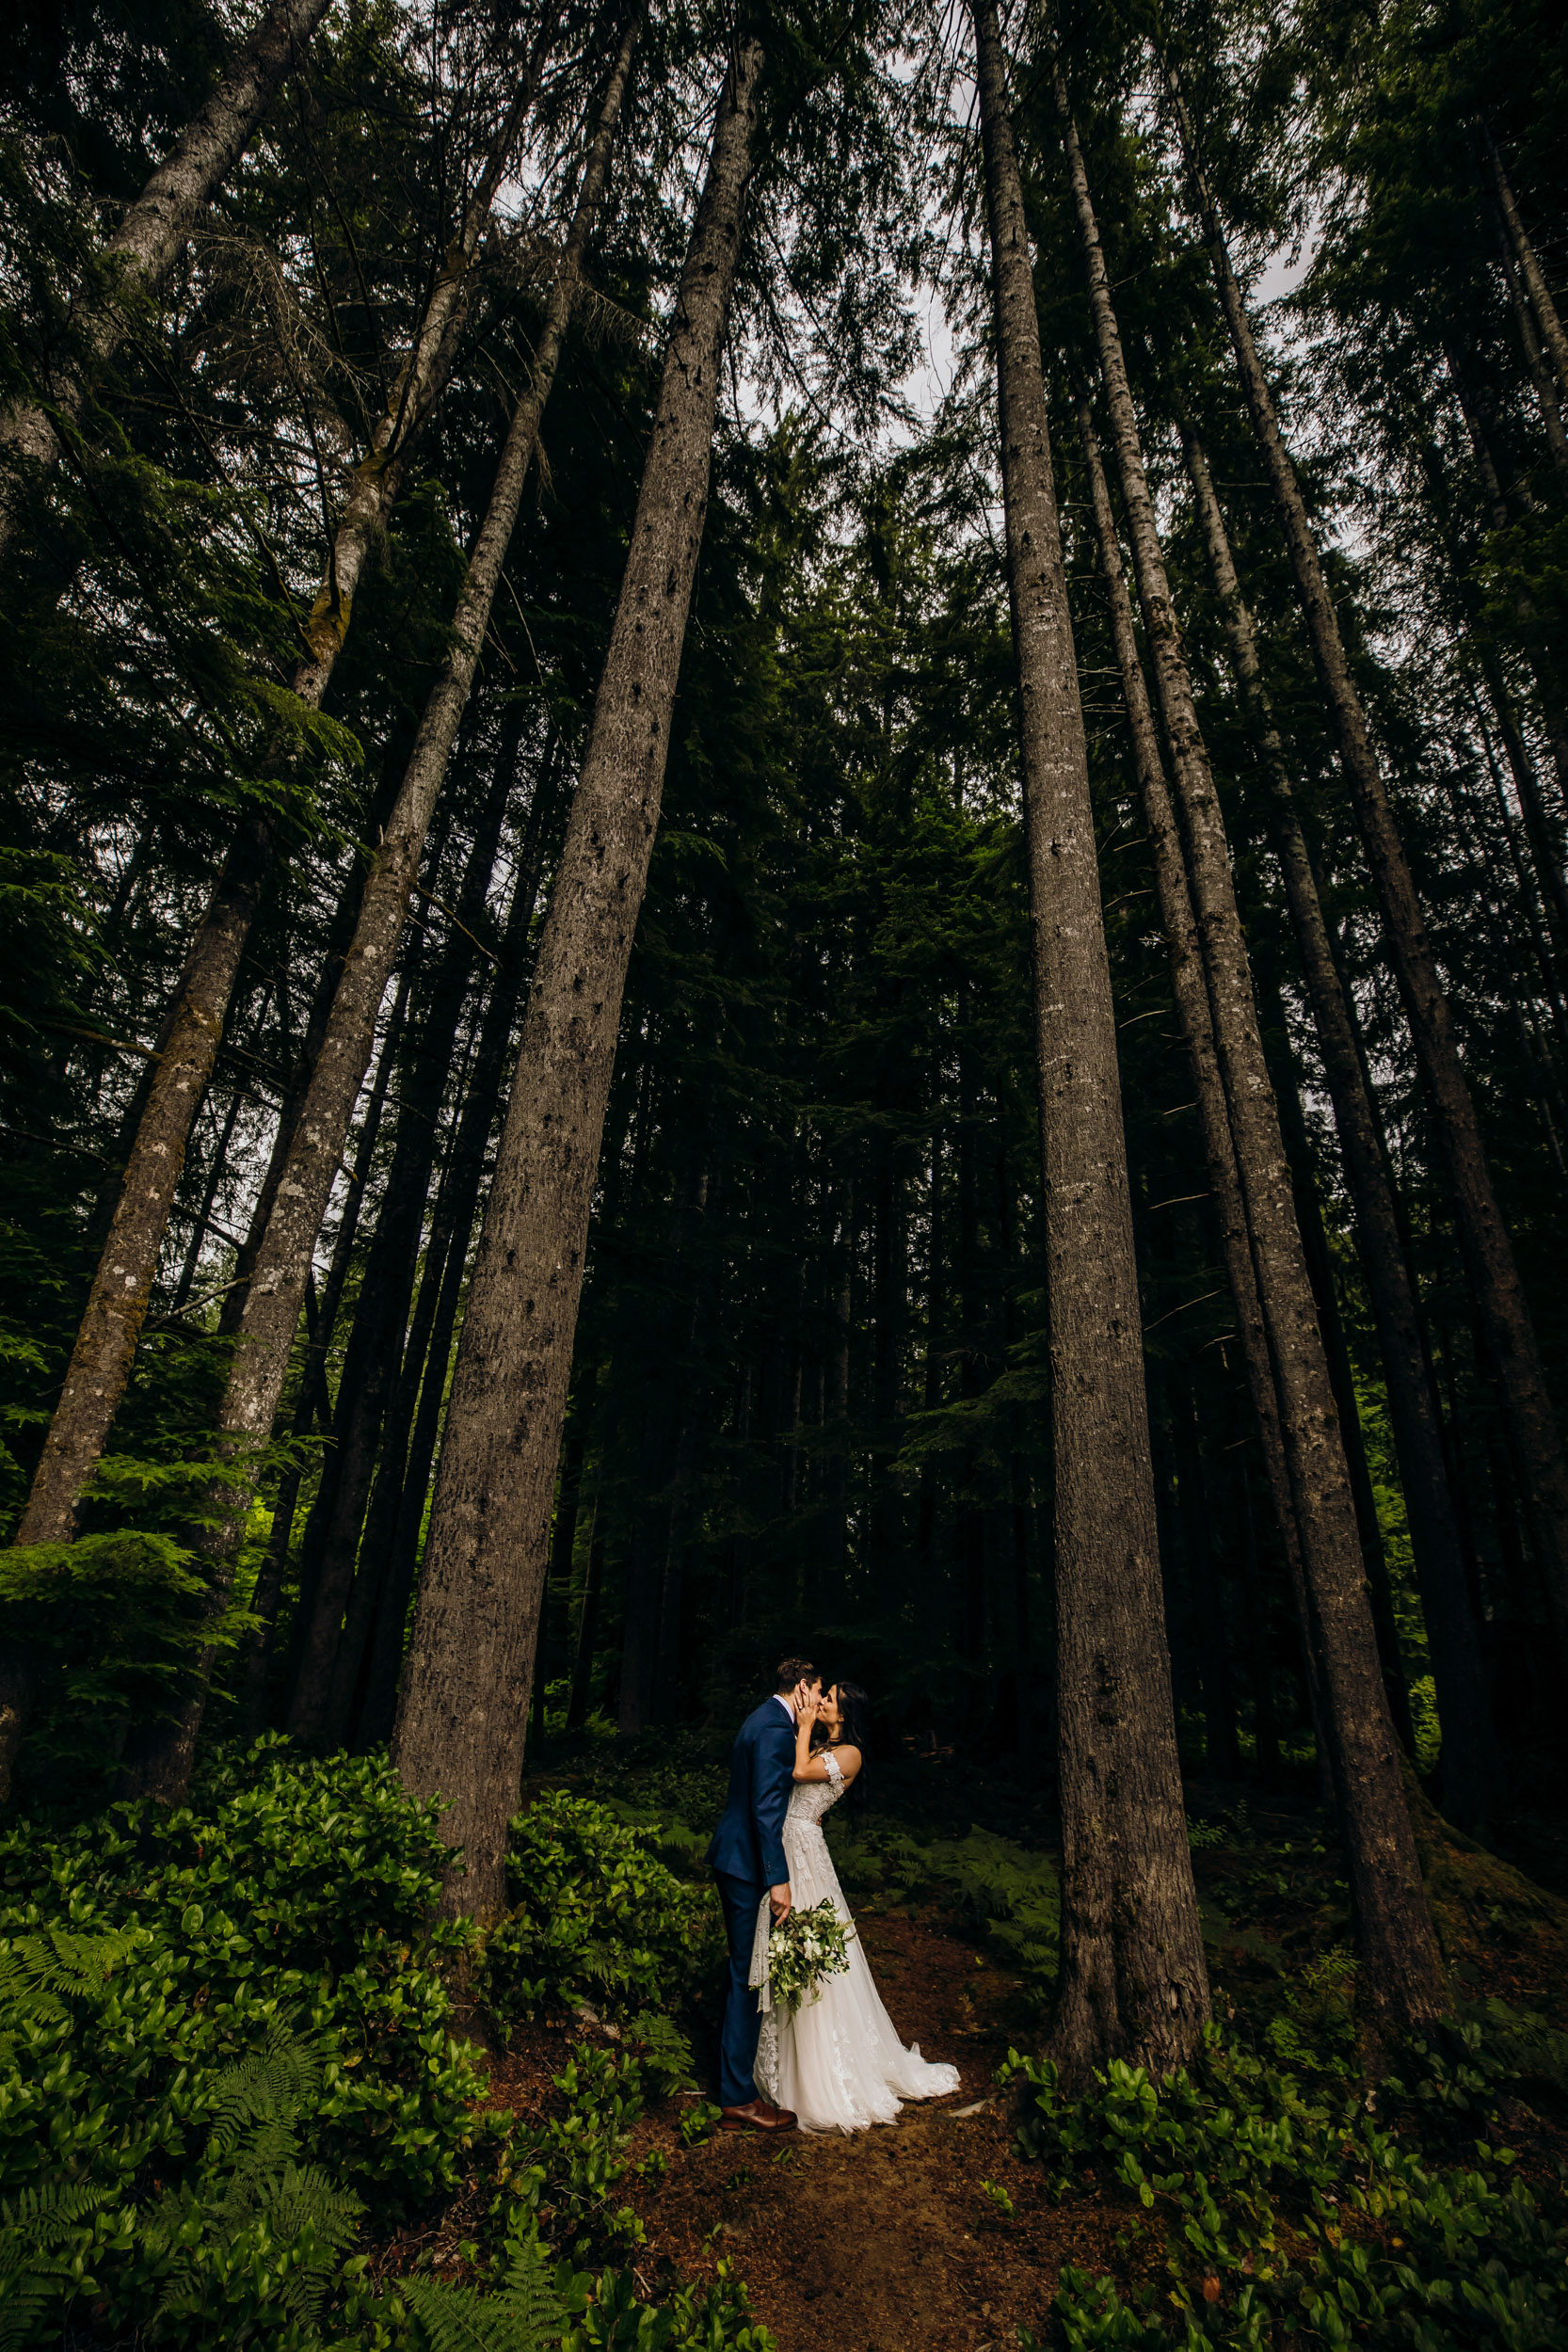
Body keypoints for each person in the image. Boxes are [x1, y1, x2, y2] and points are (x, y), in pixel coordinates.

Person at [750, 1680, 960, 2133]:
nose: (821, 1702)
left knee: (809, 1951)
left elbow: (801, 1773)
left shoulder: (851, 1754)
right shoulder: (829, 1745)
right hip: (789, 1842)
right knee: (789, 1946)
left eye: (829, 1700)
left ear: (843, 1714)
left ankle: (825, 2072)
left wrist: (803, 1724)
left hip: (804, 1848)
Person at [705, 1656, 820, 2133]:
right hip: (747, 1866)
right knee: (748, 1976)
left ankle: (737, 2089)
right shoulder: (775, 1730)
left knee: (744, 1972)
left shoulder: (764, 1717)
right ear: (800, 1688)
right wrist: (778, 1879)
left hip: (734, 1858)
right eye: (816, 1690)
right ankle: (738, 2098)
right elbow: (765, 1811)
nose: (819, 1699)